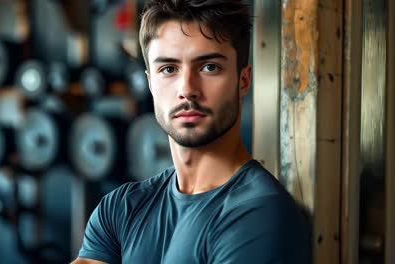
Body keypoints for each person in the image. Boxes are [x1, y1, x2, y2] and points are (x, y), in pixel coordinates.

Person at [72, 0, 311, 263]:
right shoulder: (119, 209)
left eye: (209, 67)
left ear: (243, 80)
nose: (187, 88)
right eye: (168, 69)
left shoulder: (260, 214)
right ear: (150, 83)